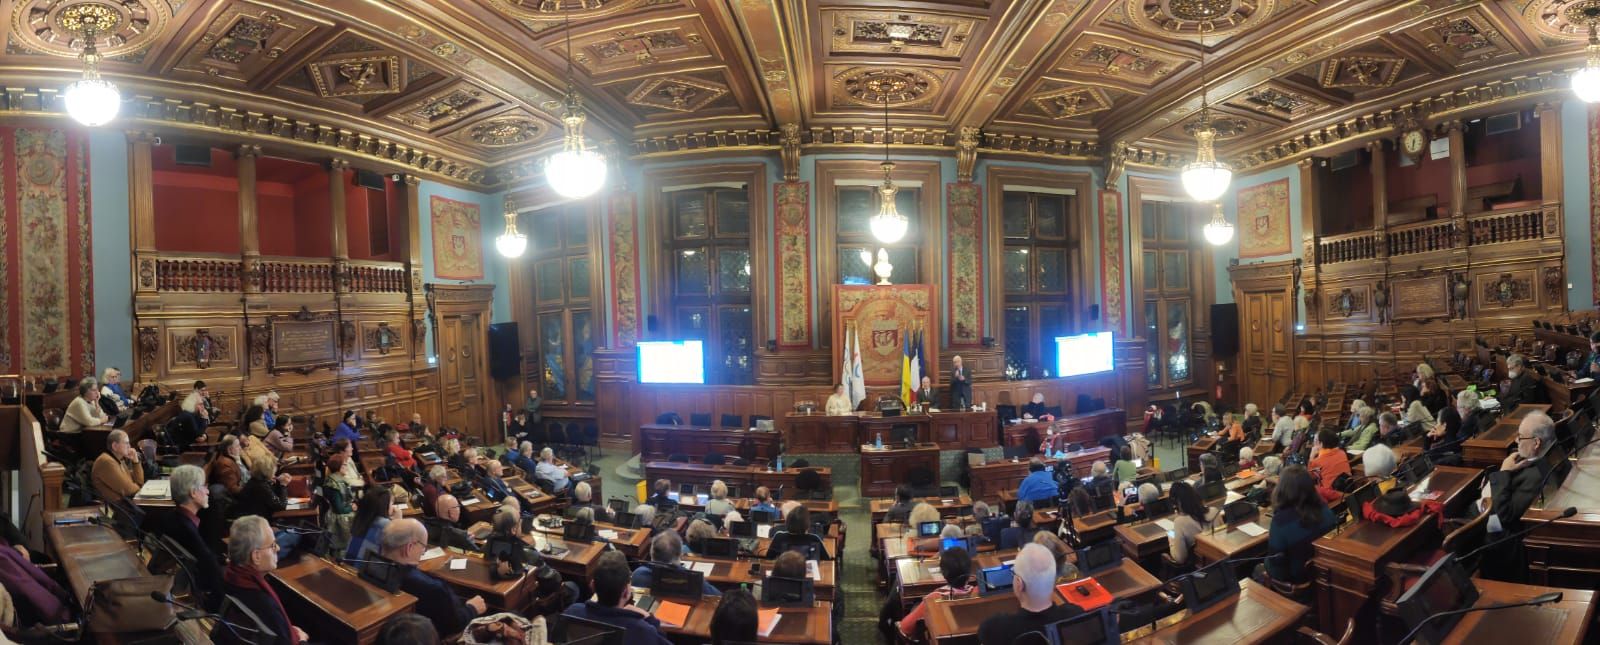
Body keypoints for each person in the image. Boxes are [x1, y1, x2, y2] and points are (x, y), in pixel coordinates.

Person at [1483, 411, 1557, 582]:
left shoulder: (1537, 475)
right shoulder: (1545, 458)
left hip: (1501, 535)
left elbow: (1504, 516)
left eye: (1521, 437)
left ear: (1536, 443)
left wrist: (1504, 472)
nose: (1517, 441)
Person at [382, 518, 486, 636]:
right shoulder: (433, 588)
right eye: (423, 547)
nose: (423, 552)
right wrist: (472, 608)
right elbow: (453, 625)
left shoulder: (371, 569)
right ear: (409, 548)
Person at [215, 515, 307, 644]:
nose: (278, 549)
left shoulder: (230, 575)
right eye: (273, 545)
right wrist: (302, 640)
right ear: (256, 556)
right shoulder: (264, 604)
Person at [976, 543, 1083, 643]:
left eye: (1013, 573)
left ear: (1019, 584)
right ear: (1053, 579)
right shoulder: (1076, 614)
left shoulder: (993, 629)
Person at [561, 551, 672, 645]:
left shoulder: (572, 612)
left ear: (592, 586)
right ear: (626, 592)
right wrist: (650, 619)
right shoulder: (642, 630)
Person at [154, 465, 224, 611]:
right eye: (204, 486)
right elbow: (215, 576)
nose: (207, 491)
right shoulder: (188, 532)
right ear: (193, 492)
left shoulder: (170, 518)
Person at [1260, 466, 1336, 585]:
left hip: (1299, 586)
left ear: (1281, 489)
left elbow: (1277, 572)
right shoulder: (1324, 509)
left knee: (1256, 570)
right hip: (1327, 578)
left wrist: (1265, 563)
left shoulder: (1280, 522)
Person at [898, 546, 975, 638]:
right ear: (970, 571)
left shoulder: (934, 598)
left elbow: (905, 628)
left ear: (943, 573)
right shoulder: (978, 592)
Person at [631, 530, 721, 596]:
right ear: (680, 554)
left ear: (651, 552)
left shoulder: (638, 574)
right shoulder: (693, 579)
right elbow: (718, 597)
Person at [92, 428, 146, 502]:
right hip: (117, 508)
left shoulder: (118, 459)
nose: (129, 446)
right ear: (115, 446)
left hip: (125, 504)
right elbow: (129, 490)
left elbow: (139, 482)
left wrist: (135, 461)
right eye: (126, 443)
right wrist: (140, 487)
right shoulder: (106, 461)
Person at [1167, 481, 1214, 565]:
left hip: (1200, 567)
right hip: (1220, 559)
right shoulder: (1214, 511)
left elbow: (1180, 558)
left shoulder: (1179, 522)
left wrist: (1171, 538)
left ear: (1177, 503)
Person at [347, 486, 399, 562]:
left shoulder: (361, 517)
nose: (394, 507)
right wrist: (398, 522)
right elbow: (400, 550)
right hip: (366, 570)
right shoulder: (386, 525)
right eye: (392, 503)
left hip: (349, 564)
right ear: (385, 505)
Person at [232, 454, 290, 520]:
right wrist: (283, 485)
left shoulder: (257, 480)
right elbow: (281, 506)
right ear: (268, 470)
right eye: (275, 467)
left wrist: (278, 483)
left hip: (257, 518)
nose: (276, 469)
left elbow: (274, 497)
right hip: (254, 523)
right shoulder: (260, 485)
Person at [324, 441, 357, 556]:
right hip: (339, 519)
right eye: (344, 465)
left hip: (344, 512)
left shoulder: (339, 479)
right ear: (338, 467)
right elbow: (339, 509)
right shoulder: (333, 484)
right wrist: (351, 508)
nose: (346, 467)